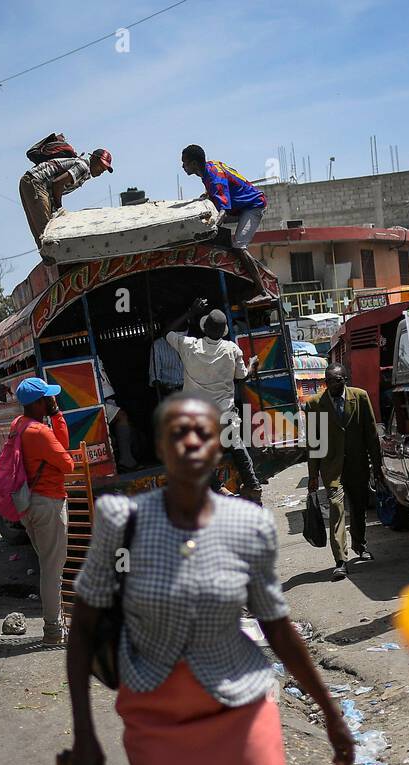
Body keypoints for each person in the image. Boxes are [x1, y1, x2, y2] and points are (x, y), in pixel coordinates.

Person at [64, 393, 354, 765]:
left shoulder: (248, 524)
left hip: (241, 713)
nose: (192, 441)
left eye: (204, 431)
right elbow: (82, 631)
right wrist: (84, 734)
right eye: (179, 432)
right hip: (157, 728)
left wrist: (330, 712)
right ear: (160, 445)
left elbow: (277, 627)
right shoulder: (123, 522)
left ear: (219, 447)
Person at [164, 297, 261, 500]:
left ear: (204, 328)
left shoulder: (189, 346)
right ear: (223, 331)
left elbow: (167, 331)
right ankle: (252, 484)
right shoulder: (232, 349)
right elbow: (242, 376)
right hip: (225, 412)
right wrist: (253, 364)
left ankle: (219, 489)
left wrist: (190, 312)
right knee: (237, 445)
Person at [304, 363, 383, 580]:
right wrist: (313, 475)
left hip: (358, 464)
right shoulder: (314, 405)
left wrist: (377, 467)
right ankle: (340, 560)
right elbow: (314, 443)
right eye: (327, 381)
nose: (330, 385)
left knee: (358, 507)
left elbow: (371, 434)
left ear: (344, 380)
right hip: (331, 468)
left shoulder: (360, 397)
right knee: (337, 508)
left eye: (335, 380)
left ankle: (359, 543)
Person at [12, 376, 75, 645]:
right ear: (38, 403)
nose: (52, 400)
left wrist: (55, 415)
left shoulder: (19, 425)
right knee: (52, 569)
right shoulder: (39, 432)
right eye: (48, 398)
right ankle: (52, 631)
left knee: (48, 565)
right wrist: (57, 415)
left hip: (28, 504)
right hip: (47, 502)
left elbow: (59, 448)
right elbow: (67, 463)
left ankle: (56, 625)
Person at [180, 145, 276, 308]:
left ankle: (263, 293)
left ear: (195, 164)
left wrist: (212, 229)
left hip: (253, 206)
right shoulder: (208, 168)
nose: (183, 166)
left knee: (239, 246)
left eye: (185, 163)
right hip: (242, 206)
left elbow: (224, 211)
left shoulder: (213, 177)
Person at [19, 145, 113, 264]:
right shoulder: (83, 166)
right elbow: (57, 184)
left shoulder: (84, 171)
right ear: (93, 158)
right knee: (47, 231)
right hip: (36, 182)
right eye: (100, 166)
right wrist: (59, 208)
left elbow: (54, 188)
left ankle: (50, 261)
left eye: (104, 169)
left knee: (41, 233)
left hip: (29, 181)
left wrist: (54, 210)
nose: (101, 171)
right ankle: (57, 262)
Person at [95, 355, 139, 471]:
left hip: (106, 399)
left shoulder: (97, 357)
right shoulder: (86, 360)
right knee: (122, 416)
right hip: (96, 402)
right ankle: (126, 460)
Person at [148, 326, 186, 399]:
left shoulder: (191, 342)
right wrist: (168, 391)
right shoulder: (158, 345)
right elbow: (155, 379)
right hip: (169, 394)